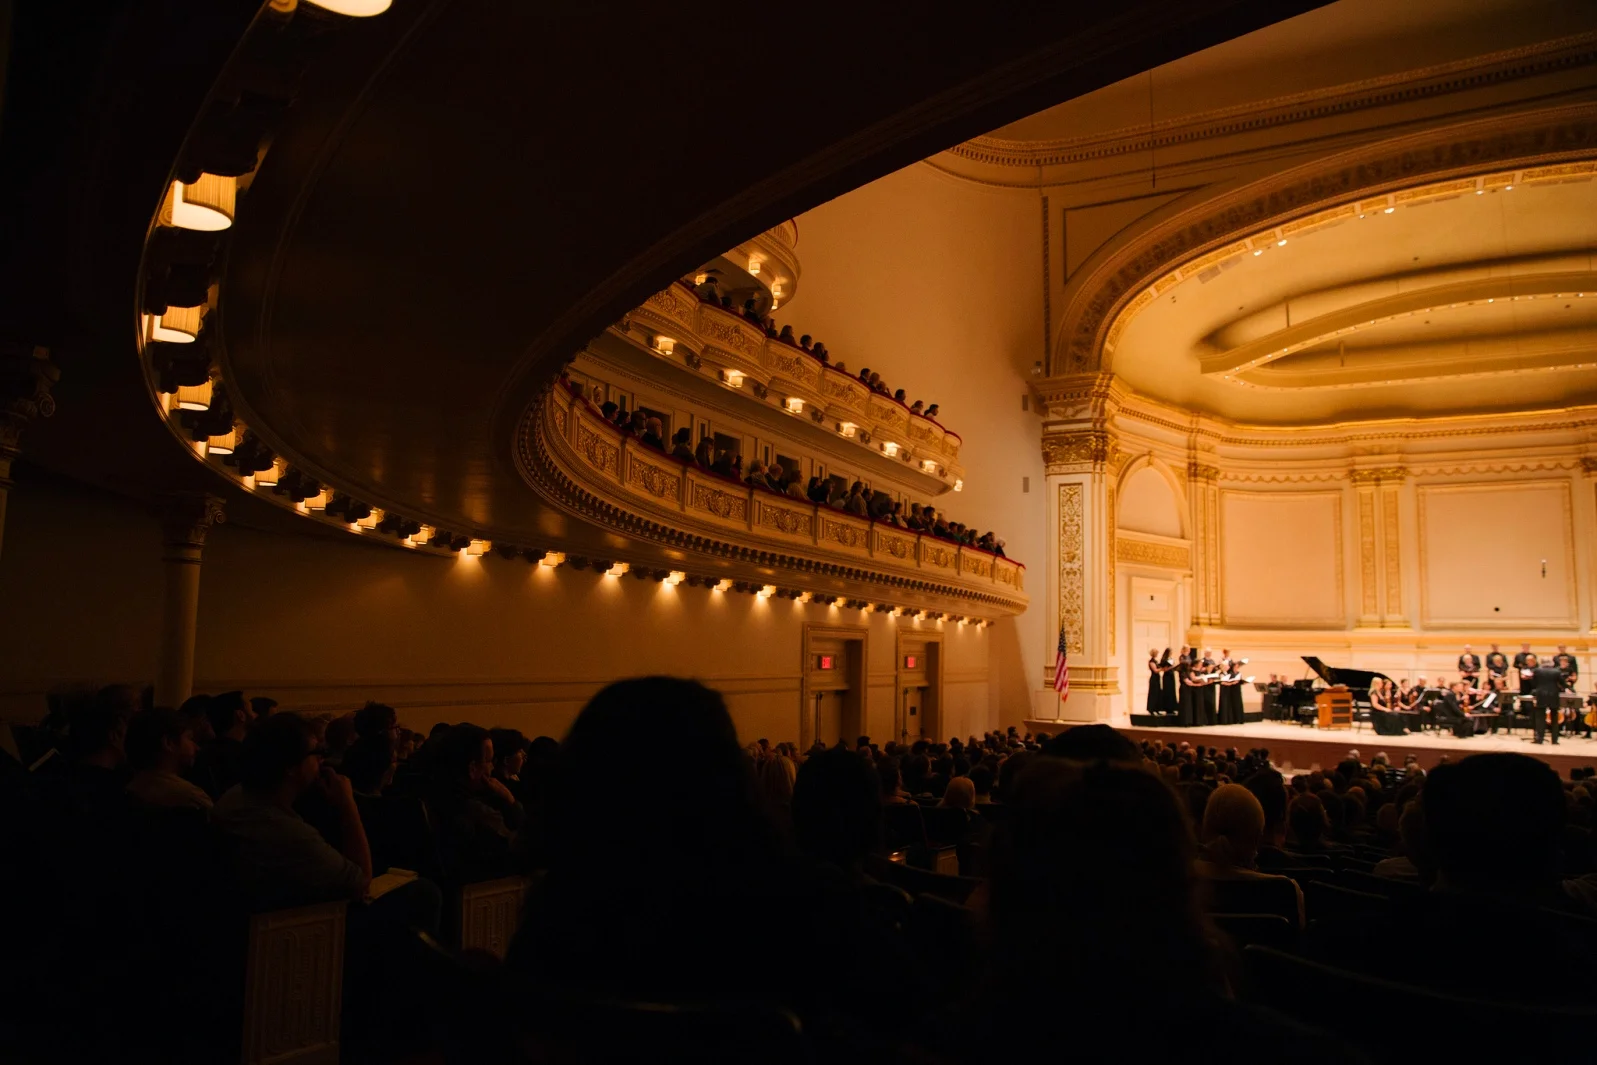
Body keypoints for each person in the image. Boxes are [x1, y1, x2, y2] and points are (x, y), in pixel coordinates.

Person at [211, 712, 372, 910]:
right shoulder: (287, 832)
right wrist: (348, 804)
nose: (322, 760)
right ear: (290, 767)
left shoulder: (236, 796)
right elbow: (361, 881)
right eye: (316, 753)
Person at [124, 707, 211, 811]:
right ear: (169, 743)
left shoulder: (129, 790)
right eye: (189, 738)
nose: (196, 747)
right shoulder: (192, 799)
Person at [195, 690, 253, 799]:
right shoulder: (247, 757)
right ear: (240, 715)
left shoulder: (203, 753)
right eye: (252, 709)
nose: (256, 714)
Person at [1531, 659, 1566, 745]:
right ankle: (1554, 740)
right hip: (1553, 695)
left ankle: (1539, 739)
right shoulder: (1557, 671)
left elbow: (1533, 683)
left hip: (1541, 695)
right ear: (1552, 664)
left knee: (1540, 718)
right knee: (1554, 718)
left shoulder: (1537, 671)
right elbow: (1562, 683)